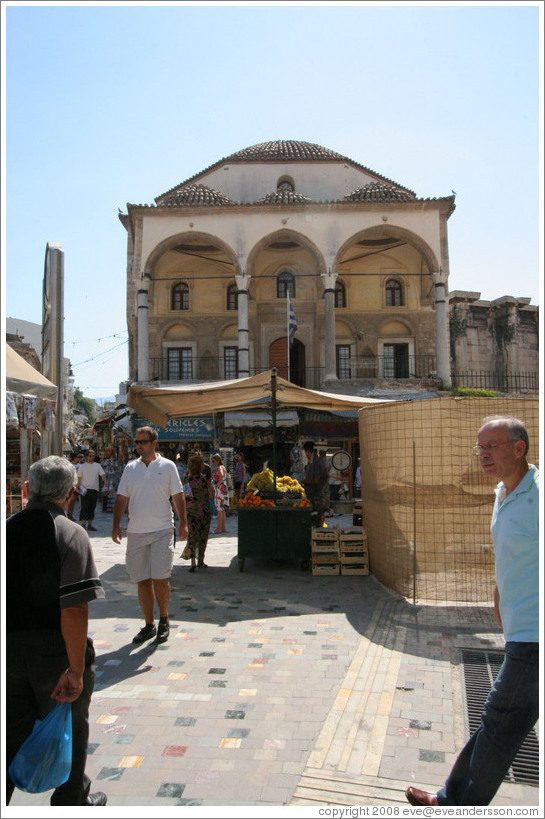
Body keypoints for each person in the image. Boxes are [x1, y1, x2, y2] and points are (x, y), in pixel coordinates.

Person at [406, 415, 539, 807]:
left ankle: (452, 803)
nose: (482, 455)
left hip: (534, 635)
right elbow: (510, 554)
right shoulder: (503, 492)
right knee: (503, 724)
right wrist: (499, 596)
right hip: (519, 628)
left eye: (491, 446)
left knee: (498, 720)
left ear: (519, 448)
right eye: (479, 447)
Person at [6, 456, 106, 806]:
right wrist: (76, 670)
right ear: (69, 493)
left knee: (9, 736)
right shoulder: (69, 533)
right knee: (73, 724)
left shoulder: (7, 529)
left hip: (9, 653)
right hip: (55, 655)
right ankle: (71, 798)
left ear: (28, 489)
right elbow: (75, 609)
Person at [112, 426, 188, 645]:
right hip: (136, 531)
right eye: (136, 442)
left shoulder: (168, 466)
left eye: (142, 442)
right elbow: (121, 498)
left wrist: (183, 523)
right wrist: (116, 525)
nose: (138, 446)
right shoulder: (130, 468)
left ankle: (164, 620)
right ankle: (148, 624)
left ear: (154, 443)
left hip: (162, 530)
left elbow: (178, 495)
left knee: (160, 578)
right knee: (141, 579)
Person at [184, 453, 214, 571]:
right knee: (203, 536)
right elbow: (211, 495)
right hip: (204, 511)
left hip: (191, 511)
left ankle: (192, 562)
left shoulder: (187, 480)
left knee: (192, 536)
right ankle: (201, 560)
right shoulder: (205, 480)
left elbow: (183, 495)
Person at [301, 441, 329, 527]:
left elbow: (316, 480)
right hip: (317, 495)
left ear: (308, 451)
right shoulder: (316, 462)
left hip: (317, 497)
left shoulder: (316, 463)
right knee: (316, 518)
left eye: (306, 452)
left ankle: (317, 537)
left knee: (316, 520)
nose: (306, 455)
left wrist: (303, 481)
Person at [78, 450, 107, 531]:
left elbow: (102, 474)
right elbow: (79, 477)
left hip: (94, 490)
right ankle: (83, 525)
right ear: (86, 457)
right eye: (90, 456)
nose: (91, 457)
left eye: (93, 456)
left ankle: (90, 524)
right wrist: (77, 486)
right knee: (84, 507)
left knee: (92, 507)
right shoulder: (82, 467)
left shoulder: (97, 466)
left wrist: (106, 482)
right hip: (85, 490)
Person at [211, 453, 229, 533]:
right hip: (224, 488)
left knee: (219, 509)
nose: (212, 463)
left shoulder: (219, 468)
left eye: (214, 461)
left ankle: (219, 528)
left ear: (218, 461)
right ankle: (223, 527)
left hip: (220, 489)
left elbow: (221, 475)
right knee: (222, 509)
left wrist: (218, 483)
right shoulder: (222, 467)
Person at [66, 452, 82, 521]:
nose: (78, 459)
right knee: (70, 501)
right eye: (77, 457)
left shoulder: (80, 466)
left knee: (73, 501)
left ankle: (70, 514)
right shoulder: (68, 465)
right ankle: (68, 514)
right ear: (74, 458)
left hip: (77, 485)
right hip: (69, 484)